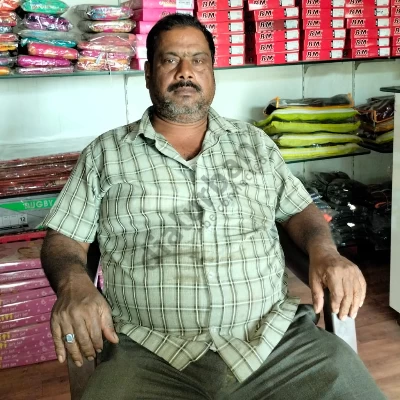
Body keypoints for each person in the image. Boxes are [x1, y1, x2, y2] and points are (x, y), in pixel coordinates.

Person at [40, 14, 385, 400]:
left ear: (212, 72)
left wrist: (326, 251)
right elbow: (64, 239)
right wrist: (73, 285)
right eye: (171, 60)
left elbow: (298, 211)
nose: (185, 71)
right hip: (146, 352)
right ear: (149, 74)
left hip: (275, 344)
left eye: (198, 60)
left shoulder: (254, 144)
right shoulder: (106, 154)